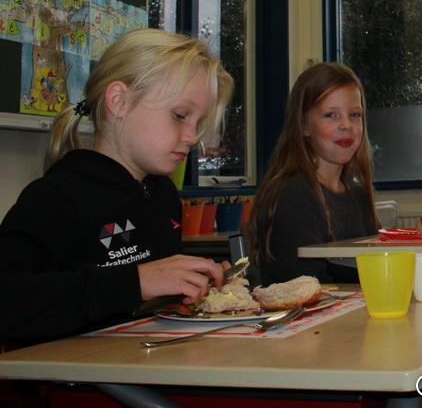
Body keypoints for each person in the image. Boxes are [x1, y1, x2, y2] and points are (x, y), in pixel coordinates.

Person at [0, 29, 233, 340]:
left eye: (198, 123)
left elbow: (152, 306)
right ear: (119, 101)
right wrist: (134, 282)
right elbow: (9, 300)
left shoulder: (162, 195)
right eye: (179, 116)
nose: (192, 137)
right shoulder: (55, 199)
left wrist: (194, 284)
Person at [248, 63, 377, 285]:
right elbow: (304, 287)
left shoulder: (357, 193)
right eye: (331, 115)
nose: (346, 125)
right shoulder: (292, 194)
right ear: (304, 125)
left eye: (355, 114)